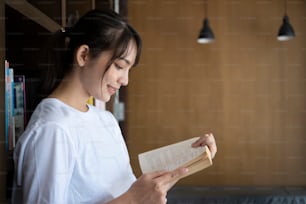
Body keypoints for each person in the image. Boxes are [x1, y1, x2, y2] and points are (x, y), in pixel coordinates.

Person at [12, 9, 217, 204]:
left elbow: (130, 193)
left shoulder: (105, 119)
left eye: (128, 69)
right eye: (119, 66)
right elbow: (130, 198)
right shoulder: (53, 129)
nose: (125, 80)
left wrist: (193, 158)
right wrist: (133, 199)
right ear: (84, 55)